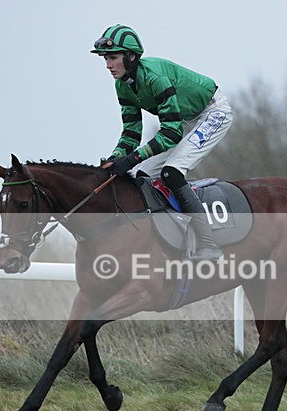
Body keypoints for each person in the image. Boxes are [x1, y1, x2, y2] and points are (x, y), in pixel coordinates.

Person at [92, 24, 231, 261]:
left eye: (113, 57)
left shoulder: (155, 78)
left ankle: (208, 244)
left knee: (171, 173)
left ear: (131, 57)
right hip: (185, 119)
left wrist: (132, 158)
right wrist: (116, 157)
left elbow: (171, 133)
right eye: (106, 58)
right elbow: (131, 132)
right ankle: (166, 237)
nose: (108, 64)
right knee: (141, 175)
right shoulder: (122, 85)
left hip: (213, 113)